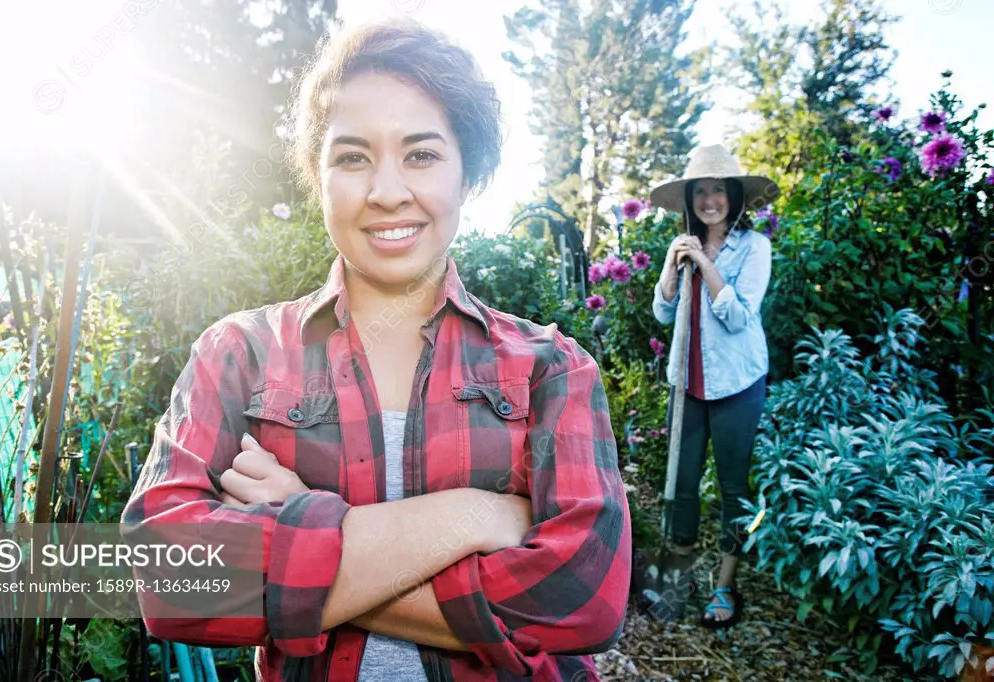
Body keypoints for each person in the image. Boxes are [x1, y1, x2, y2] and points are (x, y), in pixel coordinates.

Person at [122, 20, 631, 682]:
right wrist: (476, 515)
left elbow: (583, 600)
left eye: (421, 155)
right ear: (318, 177)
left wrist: (302, 525)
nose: (387, 191)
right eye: (353, 157)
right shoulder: (240, 355)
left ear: (467, 176)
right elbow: (166, 578)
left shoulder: (550, 368)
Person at [649, 144, 777, 629]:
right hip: (688, 385)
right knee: (681, 485)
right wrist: (671, 266)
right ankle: (676, 582)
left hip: (738, 387)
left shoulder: (755, 247)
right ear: (689, 198)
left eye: (718, 190)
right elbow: (663, 314)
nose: (709, 200)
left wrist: (705, 264)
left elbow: (741, 317)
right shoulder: (682, 245)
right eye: (700, 190)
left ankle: (725, 585)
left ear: (734, 195)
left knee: (732, 488)